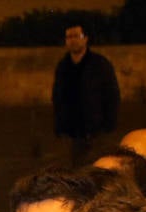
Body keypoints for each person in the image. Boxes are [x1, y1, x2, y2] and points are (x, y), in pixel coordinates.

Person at [51, 22, 120, 166]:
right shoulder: (63, 66)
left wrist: (108, 125)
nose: (73, 40)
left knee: (97, 169)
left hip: (96, 131)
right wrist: (59, 125)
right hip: (71, 133)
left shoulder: (100, 64)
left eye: (77, 36)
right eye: (69, 37)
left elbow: (112, 94)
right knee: (75, 169)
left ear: (85, 38)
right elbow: (57, 97)